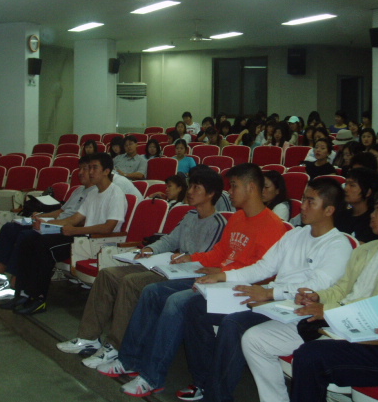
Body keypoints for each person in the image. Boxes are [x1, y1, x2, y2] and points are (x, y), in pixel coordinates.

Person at [95, 163, 287, 397]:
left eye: (234, 186)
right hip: (219, 279)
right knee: (152, 291)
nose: (230, 192)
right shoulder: (238, 218)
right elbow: (220, 252)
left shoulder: (273, 226)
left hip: (240, 290)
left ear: (251, 188)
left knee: (177, 302)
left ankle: (152, 377)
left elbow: (262, 273)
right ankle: (129, 360)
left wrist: (220, 273)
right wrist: (192, 258)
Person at [182, 178, 351, 402]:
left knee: (234, 324)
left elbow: (316, 287)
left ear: (329, 210)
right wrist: (223, 276)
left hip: (295, 309)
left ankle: (217, 396)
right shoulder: (295, 234)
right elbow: (263, 267)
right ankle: (204, 381)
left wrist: (269, 294)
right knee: (196, 307)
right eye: (303, 199)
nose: (302, 206)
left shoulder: (338, 245)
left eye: (311, 202)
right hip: (271, 298)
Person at [56, 170, 227, 368]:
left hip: (186, 275)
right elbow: (170, 240)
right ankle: (88, 338)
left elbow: (206, 258)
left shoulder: (218, 223)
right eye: (190, 186)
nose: (189, 192)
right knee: (108, 275)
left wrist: (184, 258)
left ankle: (116, 346)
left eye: (197, 188)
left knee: (131, 282)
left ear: (211, 194)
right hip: (170, 266)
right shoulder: (190, 215)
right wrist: (150, 249)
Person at [289, 186, 378, 402]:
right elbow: (342, 289)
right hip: (343, 323)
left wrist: (327, 311)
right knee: (308, 353)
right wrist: (318, 297)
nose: (372, 215)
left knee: (310, 355)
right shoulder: (367, 250)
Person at [0, 153, 127, 315]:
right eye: (89, 168)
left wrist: (76, 230)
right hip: (82, 238)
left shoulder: (116, 193)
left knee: (43, 247)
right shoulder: (93, 193)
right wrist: (46, 224)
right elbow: (74, 219)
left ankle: (38, 298)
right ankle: (22, 294)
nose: (90, 172)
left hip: (97, 243)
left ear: (106, 171)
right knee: (30, 238)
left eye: (94, 168)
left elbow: (108, 227)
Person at [0, 156, 96, 299]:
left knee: (27, 236)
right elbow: (61, 211)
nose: (80, 173)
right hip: (54, 222)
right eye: (79, 169)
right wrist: (42, 215)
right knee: (10, 228)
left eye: (85, 169)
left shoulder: (95, 193)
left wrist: (48, 222)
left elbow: (79, 221)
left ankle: (14, 285)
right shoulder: (78, 190)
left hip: (63, 227)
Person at [334, 167, 378, 243]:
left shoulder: (374, 221)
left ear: (368, 192)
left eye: (352, 185)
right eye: (346, 184)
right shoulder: (341, 216)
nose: (346, 189)